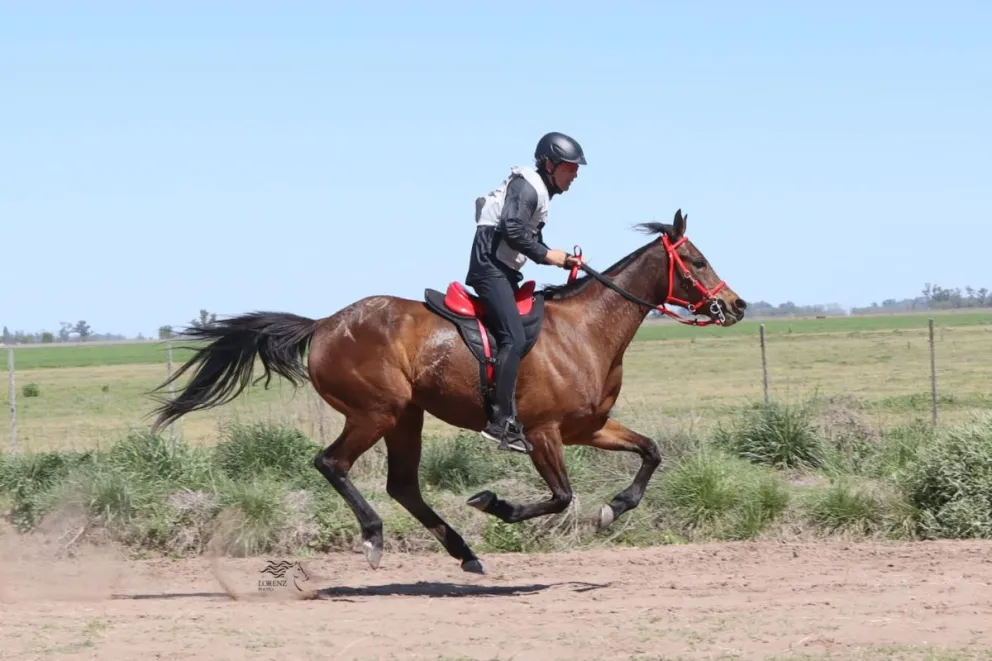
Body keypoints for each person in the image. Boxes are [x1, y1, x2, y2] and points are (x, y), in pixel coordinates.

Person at [465, 131, 586, 453]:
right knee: (514, 338)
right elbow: (512, 228)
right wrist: (547, 255)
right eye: (570, 168)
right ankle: (500, 423)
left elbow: (525, 235)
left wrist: (561, 260)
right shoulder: (527, 185)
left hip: (503, 271)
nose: (575, 175)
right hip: (489, 269)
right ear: (549, 164)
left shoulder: (539, 193)